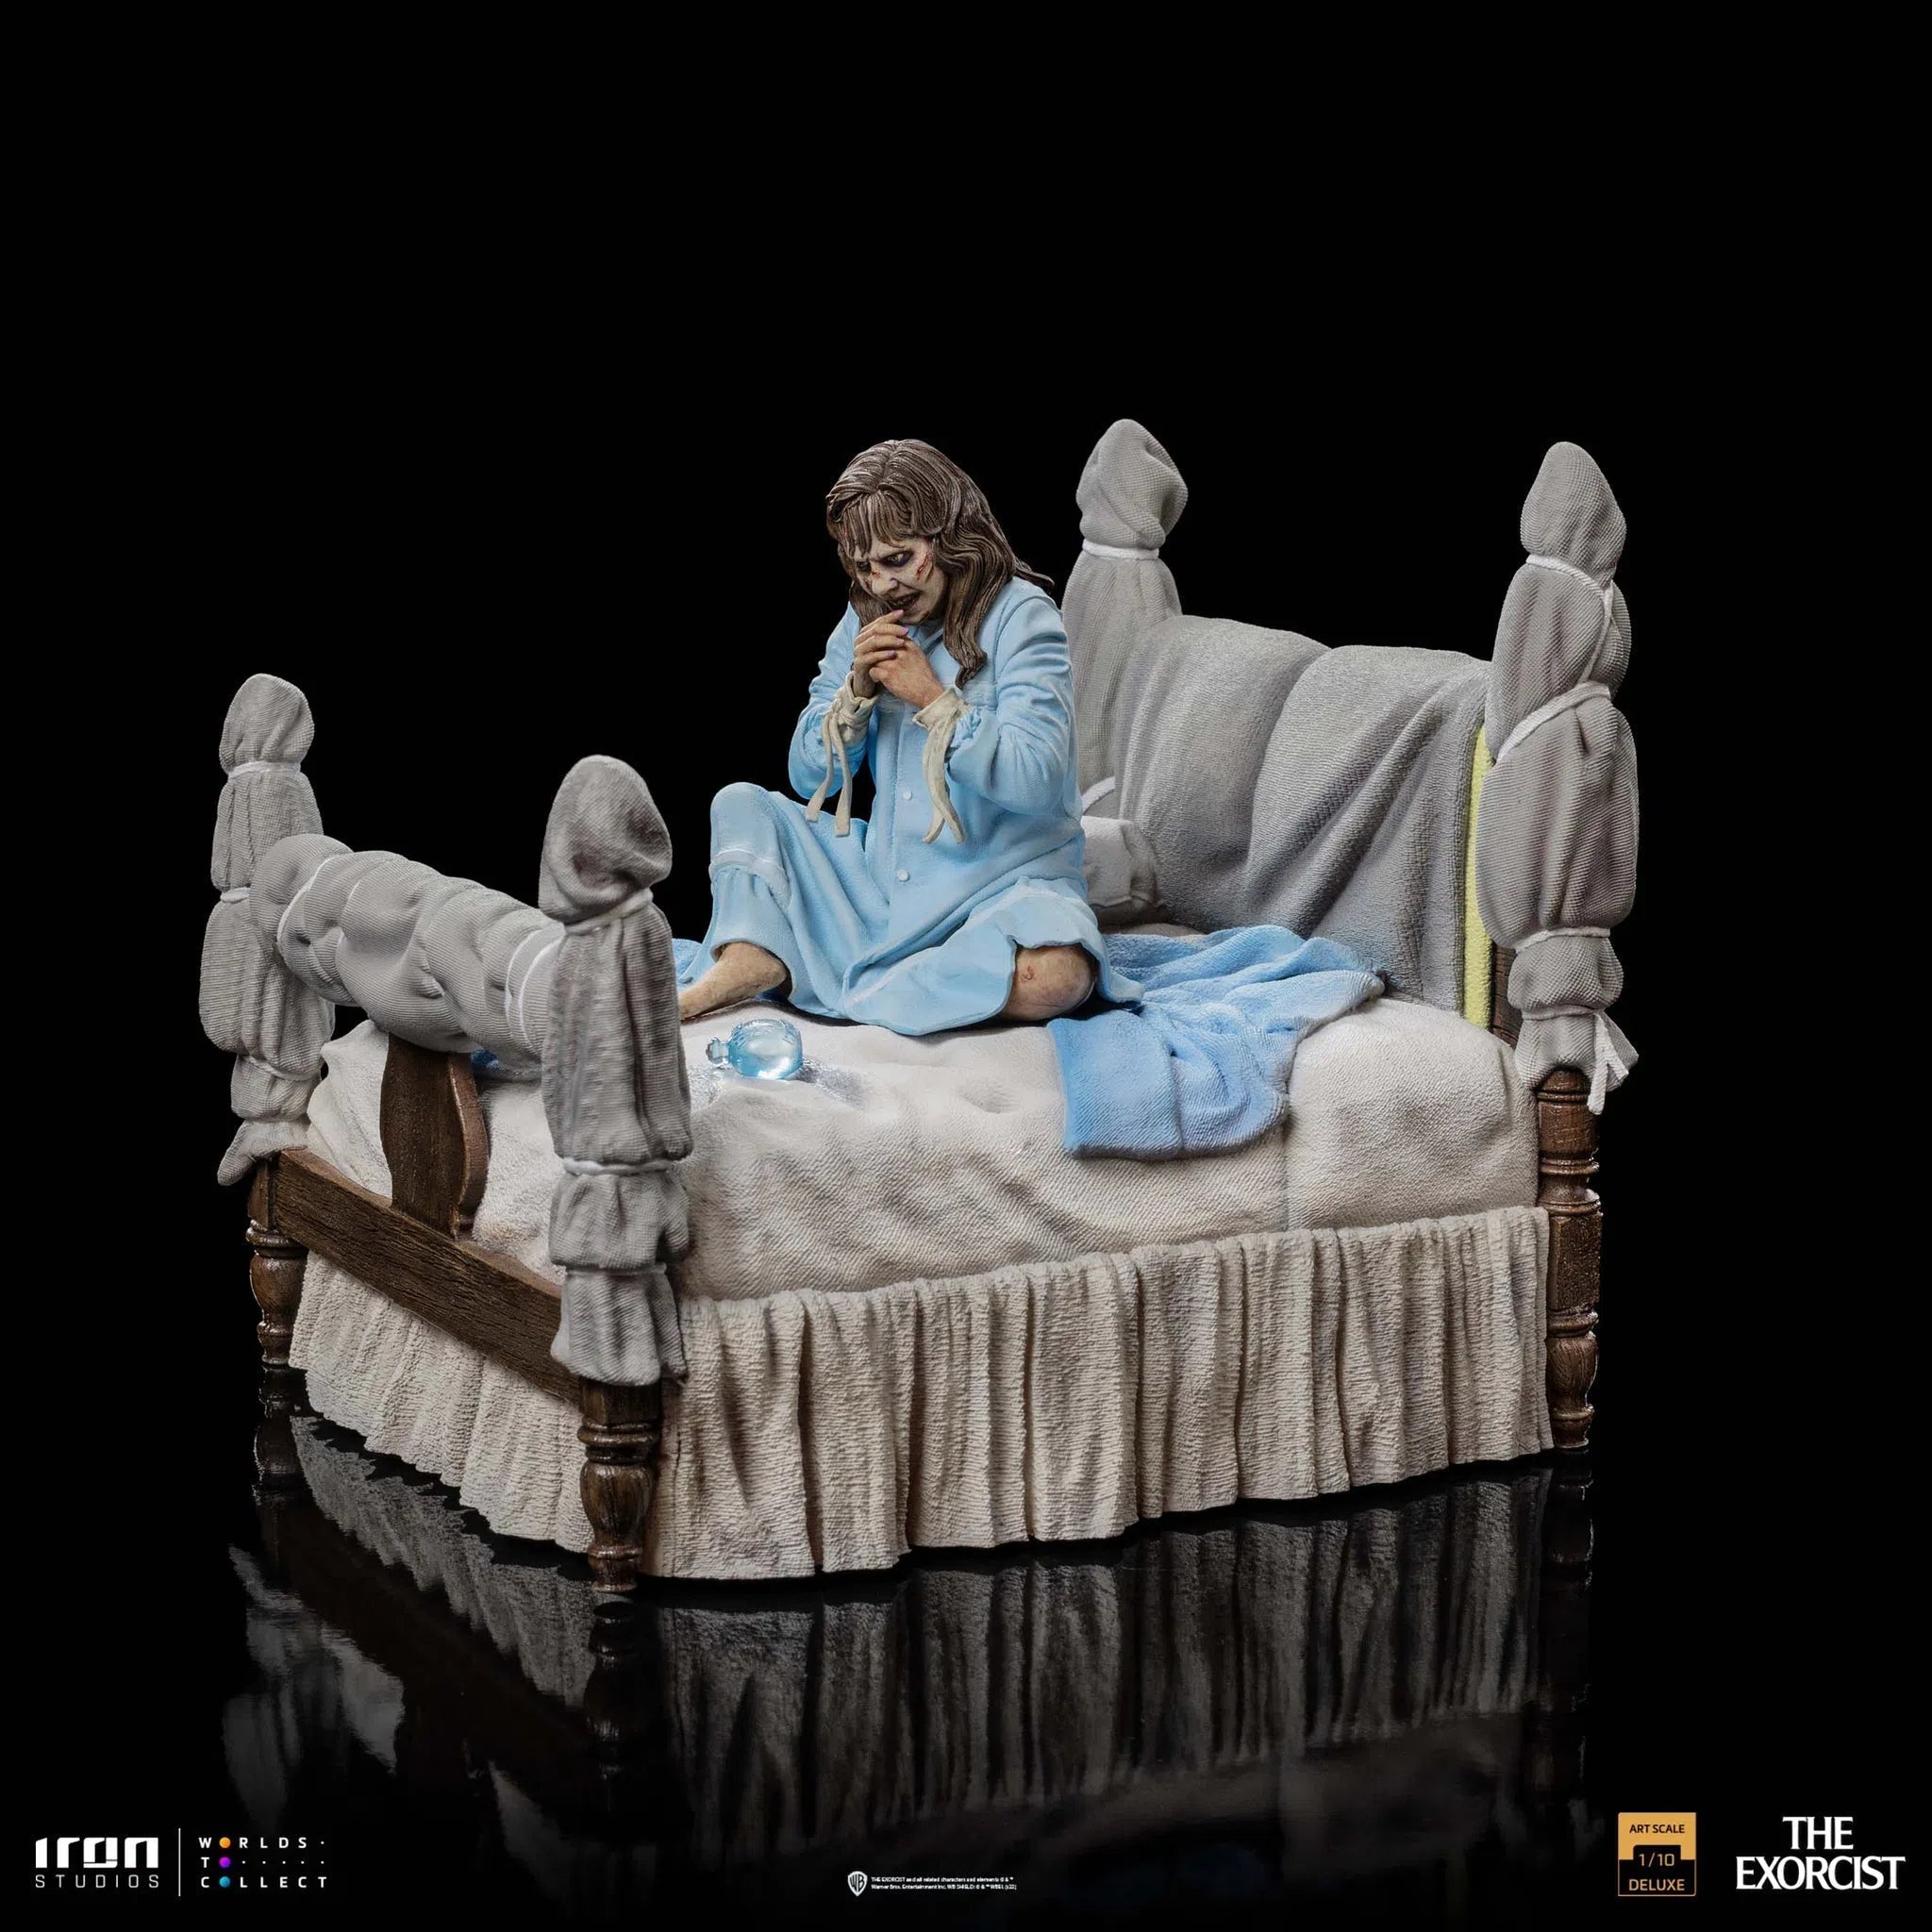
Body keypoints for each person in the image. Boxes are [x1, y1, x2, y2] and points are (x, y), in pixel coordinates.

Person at [676, 438, 1141, 1033]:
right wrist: (857, 695)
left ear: (950, 537)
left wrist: (934, 699)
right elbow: (809, 778)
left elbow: (1037, 780)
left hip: (1005, 886)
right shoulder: (865, 619)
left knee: (1058, 977)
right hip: (883, 884)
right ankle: (756, 958)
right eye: (864, 567)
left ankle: (829, 975)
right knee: (740, 803)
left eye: (898, 559)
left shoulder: (1023, 615)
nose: (883, 584)